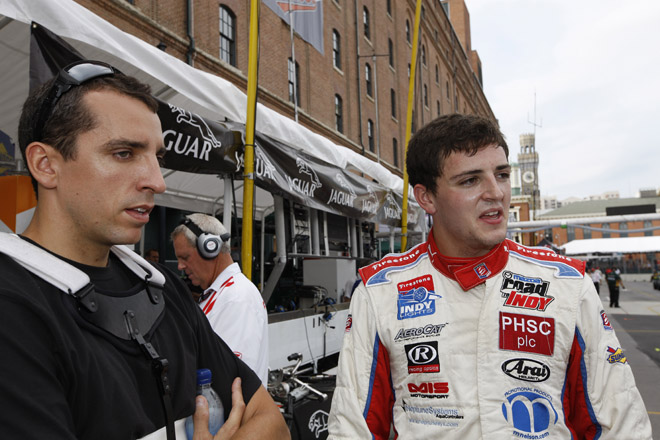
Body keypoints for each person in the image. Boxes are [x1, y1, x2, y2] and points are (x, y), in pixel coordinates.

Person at [0, 60, 289, 440]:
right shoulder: (13, 306)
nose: (157, 181)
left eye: (158, 158)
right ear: (45, 165)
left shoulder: (162, 287)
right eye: (124, 153)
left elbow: (273, 424)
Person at [327, 114, 652, 439]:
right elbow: (352, 429)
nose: (496, 192)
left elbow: (620, 423)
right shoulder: (380, 291)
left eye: (502, 175)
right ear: (426, 198)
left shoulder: (565, 283)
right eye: (470, 180)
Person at [172, 214, 269, 385]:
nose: (180, 266)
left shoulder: (236, 298)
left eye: (185, 257)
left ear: (210, 248)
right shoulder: (223, 293)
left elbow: (230, 379)